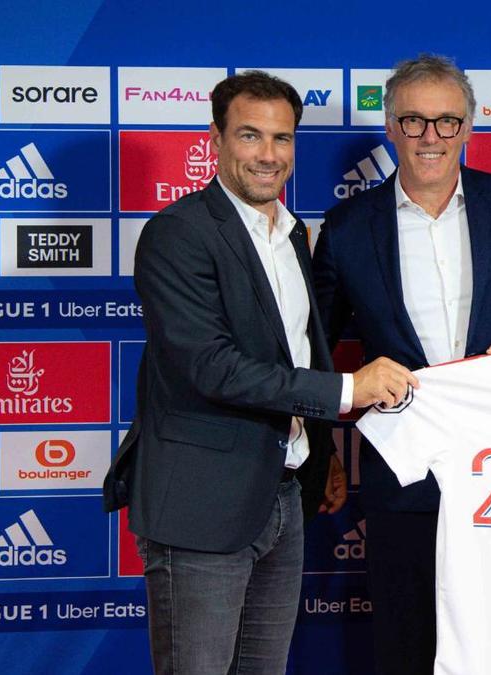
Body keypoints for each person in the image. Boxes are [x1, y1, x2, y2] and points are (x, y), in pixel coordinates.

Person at [102, 70, 399, 674]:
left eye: (282, 138)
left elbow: (294, 351)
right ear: (215, 139)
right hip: (200, 503)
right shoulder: (177, 235)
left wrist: (320, 450)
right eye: (250, 136)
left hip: (284, 493)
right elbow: (209, 367)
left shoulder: (292, 235)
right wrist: (348, 390)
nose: (269, 155)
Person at [312, 54, 491, 675]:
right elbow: (316, 353)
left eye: (447, 122)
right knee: (404, 640)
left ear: (470, 127)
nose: (431, 137)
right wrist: (320, 444)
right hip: (401, 469)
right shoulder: (348, 228)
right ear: (390, 126)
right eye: (414, 121)